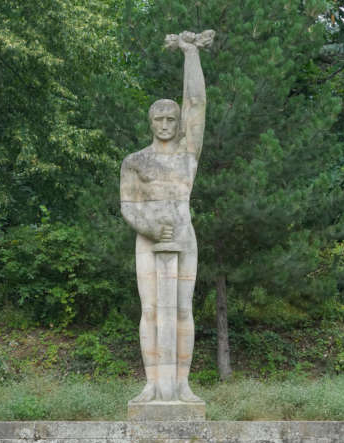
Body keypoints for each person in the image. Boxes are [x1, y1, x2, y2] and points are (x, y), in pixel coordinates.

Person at [120, 30, 214, 403]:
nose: (164, 125)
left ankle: (182, 386)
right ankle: (153, 385)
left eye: (170, 119)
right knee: (151, 311)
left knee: (181, 309)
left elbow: (197, 103)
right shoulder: (135, 161)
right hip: (149, 240)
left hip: (183, 236)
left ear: (177, 123)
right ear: (150, 122)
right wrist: (149, 228)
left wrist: (190, 53)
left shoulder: (187, 154)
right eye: (158, 119)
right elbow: (128, 205)